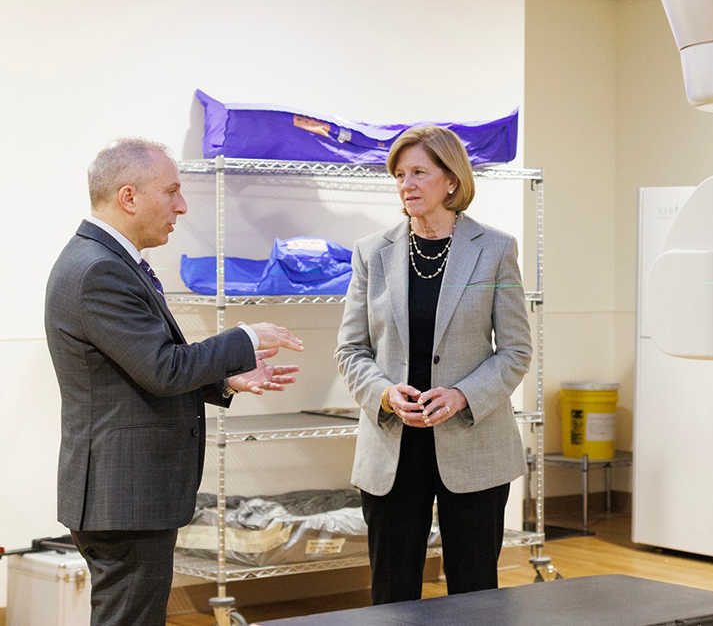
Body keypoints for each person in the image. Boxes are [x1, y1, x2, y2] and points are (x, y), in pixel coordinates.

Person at [44, 138, 305, 626]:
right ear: (129, 197)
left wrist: (224, 383)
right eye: (172, 192)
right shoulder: (99, 269)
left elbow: (135, 370)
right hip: (124, 497)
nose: (181, 207)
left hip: (124, 495)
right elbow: (163, 369)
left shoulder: (105, 261)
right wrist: (246, 336)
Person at [335, 125, 532, 603]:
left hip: (472, 438)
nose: (407, 184)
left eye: (419, 172)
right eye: (399, 174)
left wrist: (463, 394)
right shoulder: (372, 252)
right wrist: (384, 392)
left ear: (451, 180)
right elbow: (350, 349)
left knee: (475, 591)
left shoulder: (495, 249)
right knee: (392, 592)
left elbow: (516, 350)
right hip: (393, 445)